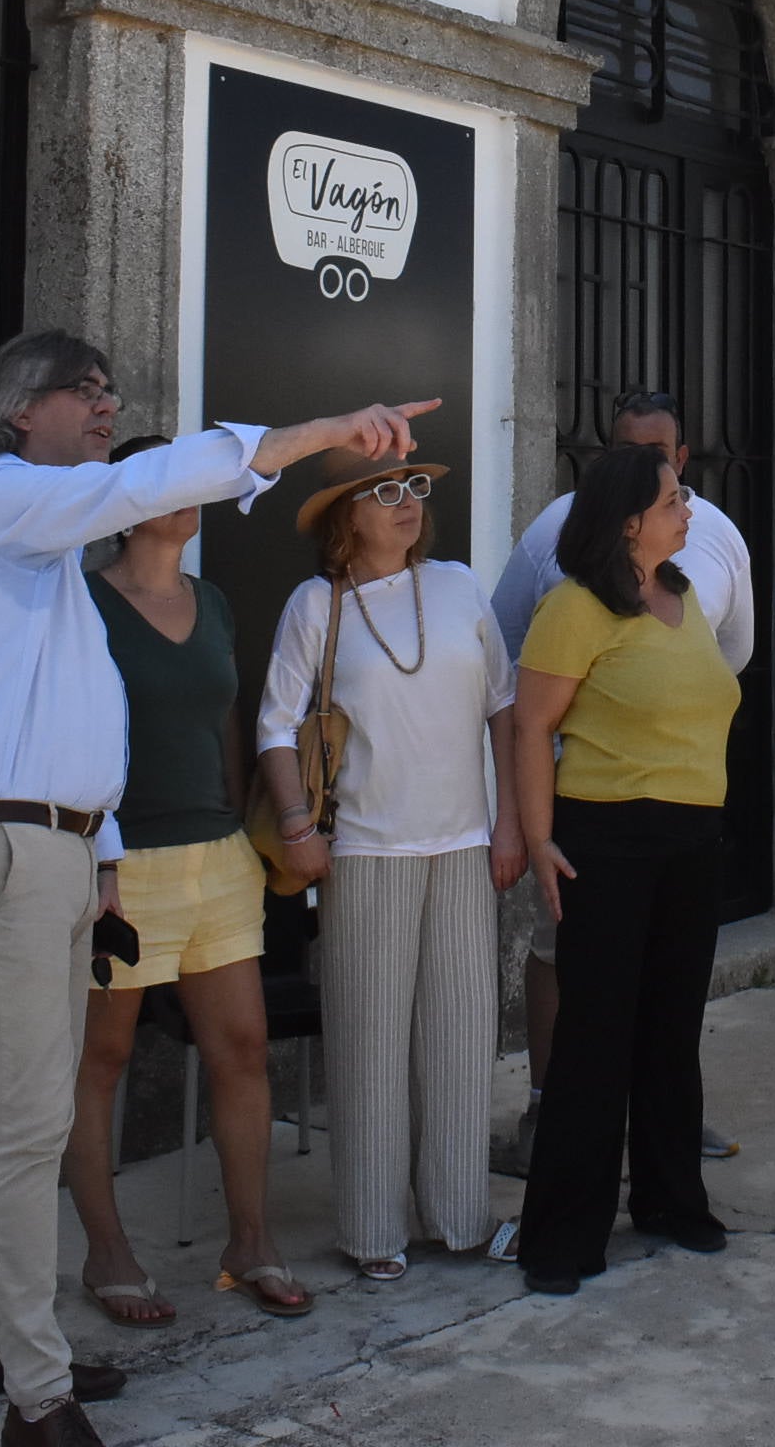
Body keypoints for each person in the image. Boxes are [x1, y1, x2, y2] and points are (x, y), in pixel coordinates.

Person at [0, 328, 431, 1447]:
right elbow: (147, 481)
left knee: (20, 1112)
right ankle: (34, 1398)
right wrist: (330, 431)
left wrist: (97, 859)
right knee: (27, 1117)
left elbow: (82, 721)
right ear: (16, 413)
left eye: (107, 390)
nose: (103, 405)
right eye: (79, 391)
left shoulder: (48, 559)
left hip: (49, 846)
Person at [256, 447, 524, 1282]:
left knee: (460, 1035)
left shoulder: (458, 587)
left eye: (414, 487)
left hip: (463, 843)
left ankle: (461, 1217)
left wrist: (508, 820)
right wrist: (299, 827)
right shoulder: (315, 606)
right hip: (365, 850)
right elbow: (273, 725)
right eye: (384, 492)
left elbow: (504, 710)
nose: (407, 503)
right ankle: (372, 1231)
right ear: (347, 518)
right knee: (369, 1043)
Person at [57, 438, 304, 1337]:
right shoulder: (80, 602)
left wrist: (247, 834)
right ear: (126, 500)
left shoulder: (215, 602)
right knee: (103, 1060)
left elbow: (231, 725)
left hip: (217, 858)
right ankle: (107, 1250)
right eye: (177, 485)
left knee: (242, 1047)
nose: (193, 499)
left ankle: (251, 1239)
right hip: (122, 863)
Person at [491, 390, 753, 1173]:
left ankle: (667, 1164)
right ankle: (564, 1146)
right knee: (589, 1013)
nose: (683, 501)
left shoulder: (701, 566)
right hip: (598, 823)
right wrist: (534, 832)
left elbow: (730, 658)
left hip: (689, 830)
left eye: (667, 461)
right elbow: (520, 692)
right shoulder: (562, 573)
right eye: (635, 459)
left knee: (670, 1013)